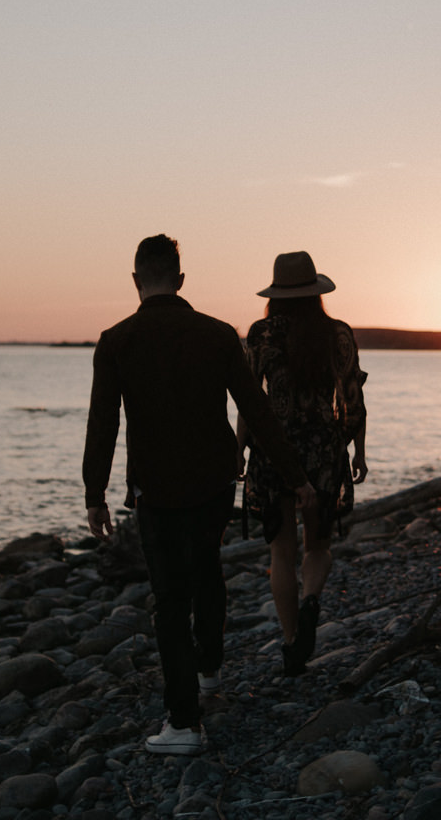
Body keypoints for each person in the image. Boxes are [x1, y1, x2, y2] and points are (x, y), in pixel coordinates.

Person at [83, 234, 316, 756]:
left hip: (156, 487)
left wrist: (93, 493)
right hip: (213, 481)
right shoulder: (217, 335)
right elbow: (256, 412)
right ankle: (208, 672)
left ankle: (184, 722)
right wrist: (295, 475)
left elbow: (103, 422)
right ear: (181, 280)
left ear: (137, 280)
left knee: (169, 599)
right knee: (207, 571)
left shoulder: (116, 340)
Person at [238, 251, 367, 676]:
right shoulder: (338, 334)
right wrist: (356, 450)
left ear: (276, 294)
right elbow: (352, 399)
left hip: (274, 451)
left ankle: (293, 644)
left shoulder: (260, 335)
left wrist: (239, 448)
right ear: (315, 292)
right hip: (323, 449)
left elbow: (249, 402)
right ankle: (312, 600)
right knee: (318, 545)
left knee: (281, 550)